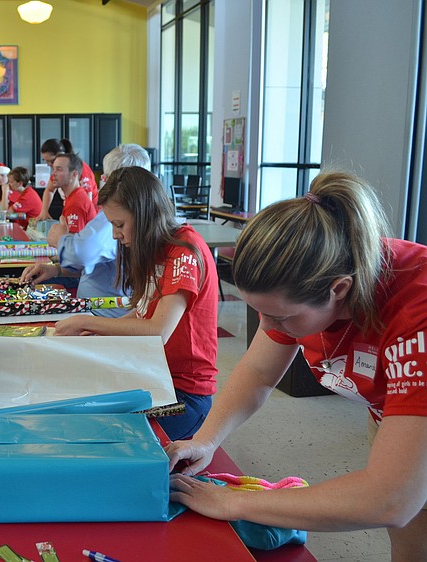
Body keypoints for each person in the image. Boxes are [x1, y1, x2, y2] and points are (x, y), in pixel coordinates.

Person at [167, 171, 427, 561]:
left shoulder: (415, 315)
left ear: (339, 289)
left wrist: (233, 502)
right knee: (411, 536)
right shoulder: (311, 280)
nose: (269, 328)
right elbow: (257, 374)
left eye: (282, 318)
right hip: (392, 410)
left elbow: (389, 498)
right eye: (260, 313)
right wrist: (205, 439)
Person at [51, 166, 218, 440]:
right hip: (155, 376)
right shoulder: (158, 249)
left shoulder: (183, 252)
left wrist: (87, 322)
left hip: (184, 395)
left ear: (145, 215)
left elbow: (158, 330)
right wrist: (95, 333)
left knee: (102, 437)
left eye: (119, 224)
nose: (115, 234)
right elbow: (142, 313)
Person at [21, 144, 150, 318]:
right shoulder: (130, 213)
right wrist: (56, 269)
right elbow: (101, 262)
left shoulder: (116, 213)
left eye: (58, 168)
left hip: (104, 318)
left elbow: (83, 252)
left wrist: (61, 240)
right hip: (99, 312)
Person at [35, 138, 98, 221]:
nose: (48, 165)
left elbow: (86, 204)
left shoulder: (81, 170)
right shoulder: (58, 171)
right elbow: (49, 189)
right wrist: (44, 211)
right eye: (46, 161)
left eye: (51, 161)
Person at [52, 152, 96, 234]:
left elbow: (74, 244)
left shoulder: (75, 203)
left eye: (59, 169)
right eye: (53, 169)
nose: (53, 174)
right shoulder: (74, 196)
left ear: (74, 174)